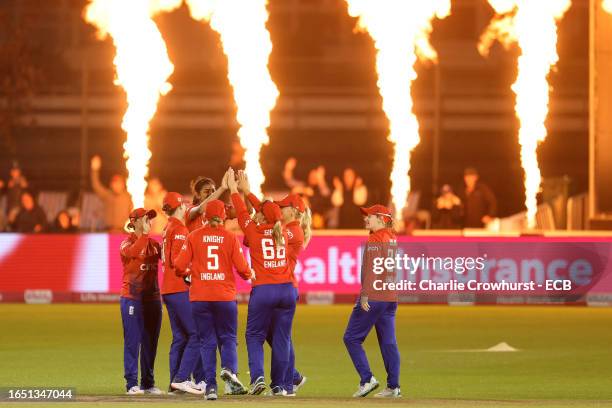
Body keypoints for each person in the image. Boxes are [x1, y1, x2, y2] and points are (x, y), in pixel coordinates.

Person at [175, 198, 253, 400]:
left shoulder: (193, 236)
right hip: (225, 297)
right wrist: (249, 274)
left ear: (204, 216)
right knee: (227, 338)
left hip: (200, 297)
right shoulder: (229, 237)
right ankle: (229, 369)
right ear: (224, 216)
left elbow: (178, 265)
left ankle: (210, 387)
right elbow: (243, 269)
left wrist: (190, 272)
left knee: (206, 341)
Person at [230, 168, 296, 396]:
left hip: (264, 290)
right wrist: (249, 193)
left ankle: (257, 377)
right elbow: (268, 212)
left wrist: (234, 191)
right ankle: (279, 386)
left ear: (263, 216)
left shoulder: (254, 231)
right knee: (281, 338)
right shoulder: (286, 233)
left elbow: (241, 212)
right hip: (287, 291)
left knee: (254, 336)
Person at [343, 204, 401, 398]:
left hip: (374, 296)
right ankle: (393, 387)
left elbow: (373, 269)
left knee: (351, 338)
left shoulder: (376, 238)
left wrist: (365, 294)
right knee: (388, 342)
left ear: (381, 219)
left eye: (370, 216)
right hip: (390, 296)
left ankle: (367, 379)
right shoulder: (391, 237)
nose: (366, 219)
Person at [160, 192, 204, 396]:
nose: (186, 207)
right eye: (183, 205)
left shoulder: (167, 227)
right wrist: (194, 273)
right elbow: (177, 263)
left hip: (168, 289)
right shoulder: (179, 229)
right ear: (178, 207)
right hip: (178, 288)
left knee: (180, 337)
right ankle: (182, 378)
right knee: (196, 334)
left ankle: (173, 384)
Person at [119, 208, 163, 395]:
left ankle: (148, 383)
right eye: (145, 218)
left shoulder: (155, 244)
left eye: (150, 218)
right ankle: (131, 384)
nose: (149, 221)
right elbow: (134, 253)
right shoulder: (126, 243)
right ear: (134, 221)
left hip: (153, 299)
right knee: (132, 341)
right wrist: (144, 235)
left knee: (150, 342)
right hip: (132, 298)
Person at [90, 155, 132, 233]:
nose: (116, 185)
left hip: (123, 231)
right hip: (107, 231)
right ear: (111, 185)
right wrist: (94, 170)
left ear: (123, 184)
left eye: (119, 183)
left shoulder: (128, 196)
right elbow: (96, 185)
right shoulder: (107, 195)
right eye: (114, 183)